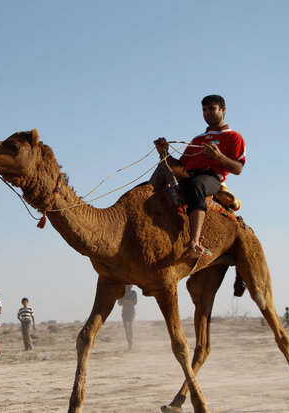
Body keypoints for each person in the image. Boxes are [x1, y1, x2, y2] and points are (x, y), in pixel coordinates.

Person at [154, 95, 246, 258]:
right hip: (188, 174)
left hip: (211, 177)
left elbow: (238, 168)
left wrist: (218, 157)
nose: (207, 113)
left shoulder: (233, 137)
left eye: (212, 108)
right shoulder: (198, 139)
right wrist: (165, 152)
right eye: (204, 110)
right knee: (156, 178)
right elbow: (181, 166)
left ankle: (195, 241)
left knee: (196, 186)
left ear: (223, 110)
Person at [117, 285, 138, 350]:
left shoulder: (133, 293)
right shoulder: (121, 293)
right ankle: (129, 344)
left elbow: (134, 302)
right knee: (126, 329)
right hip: (124, 312)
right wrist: (128, 302)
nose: (128, 286)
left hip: (131, 312)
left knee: (130, 327)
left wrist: (125, 301)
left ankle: (131, 343)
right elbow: (119, 303)